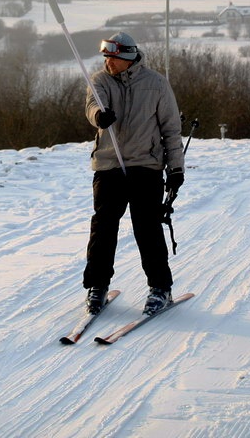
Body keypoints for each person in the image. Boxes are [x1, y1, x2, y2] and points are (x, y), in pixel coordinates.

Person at [83, 31, 185, 316]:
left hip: (146, 166)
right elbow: (92, 106)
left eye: (113, 57)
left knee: (147, 228)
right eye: (106, 57)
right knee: (103, 228)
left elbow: (171, 130)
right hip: (109, 165)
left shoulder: (156, 84)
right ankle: (97, 286)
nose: (108, 62)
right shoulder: (100, 81)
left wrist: (175, 168)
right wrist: (99, 118)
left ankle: (160, 288)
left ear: (127, 56)